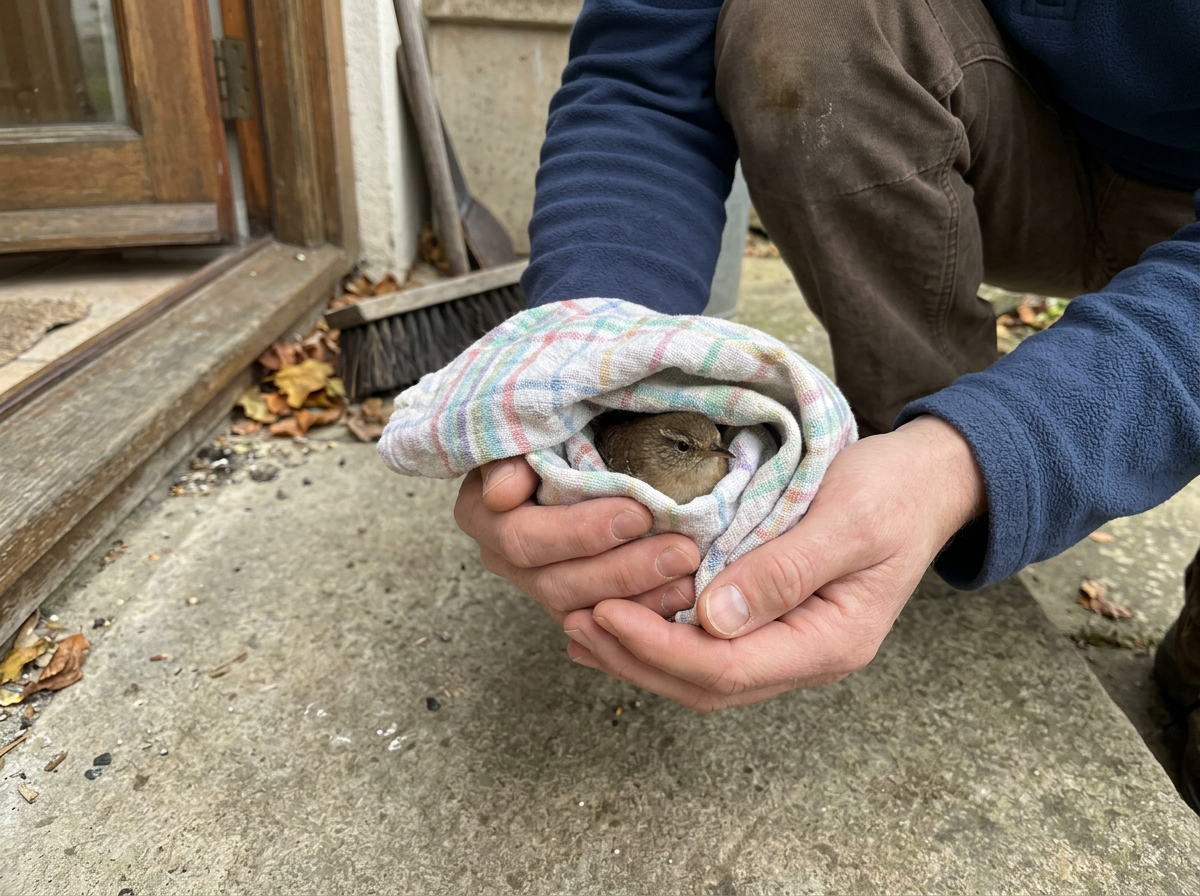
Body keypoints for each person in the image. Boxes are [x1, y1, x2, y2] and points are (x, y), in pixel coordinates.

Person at [452, 0, 1200, 797]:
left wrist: (987, 450)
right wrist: (583, 354)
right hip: (1007, 130)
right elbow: (646, 68)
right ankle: (899, 499)